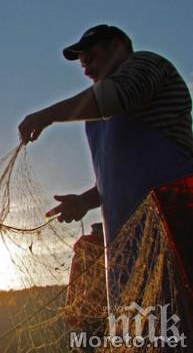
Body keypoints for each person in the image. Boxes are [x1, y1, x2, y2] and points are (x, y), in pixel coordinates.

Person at [18, 24, 193, 333]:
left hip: (175, 225)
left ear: (117, 46)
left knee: (182, 325)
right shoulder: (96, 117)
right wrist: (86, 200)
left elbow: (114, 98)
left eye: (90, 54)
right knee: (143, 333)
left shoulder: (146, 66)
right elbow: (120, 173)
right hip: (127, 245)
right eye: (80, 59)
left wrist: (47, 115)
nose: (84, 63)